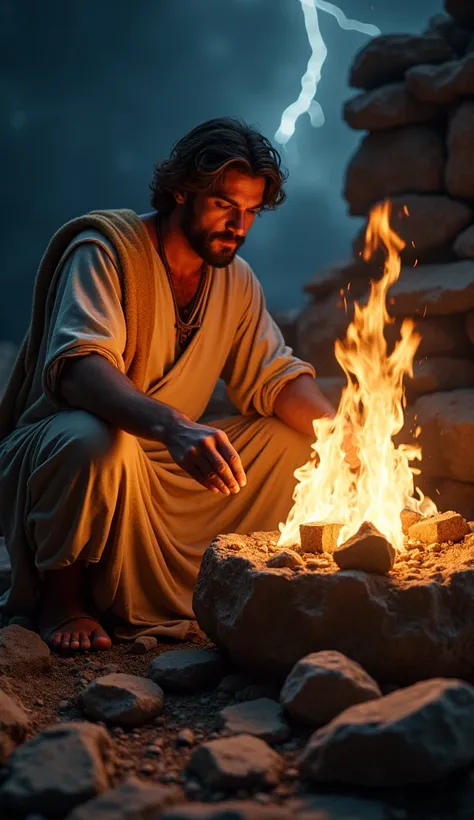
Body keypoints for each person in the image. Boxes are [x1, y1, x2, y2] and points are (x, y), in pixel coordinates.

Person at [0, 117, 341, 653]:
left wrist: (343, 442)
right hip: (70, 452)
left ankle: (212, 587)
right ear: (180, 189)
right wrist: (174, 427)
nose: (239, 226)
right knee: (95, 442)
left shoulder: (236, 279)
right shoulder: (106, 249)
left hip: (160, 465)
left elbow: (276, 378)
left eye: (250, 211)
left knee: (296, 445)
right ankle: (63, 597)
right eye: (225, 206)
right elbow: (80, 368)